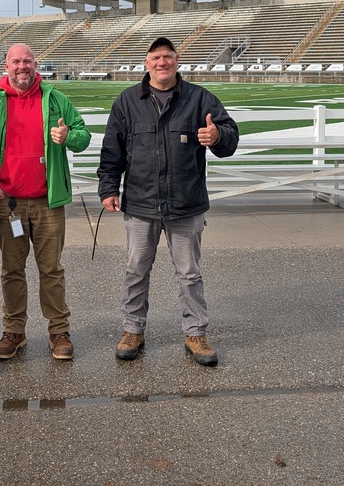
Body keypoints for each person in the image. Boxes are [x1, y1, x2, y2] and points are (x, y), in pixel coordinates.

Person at [98, 37, 239, 366]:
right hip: (141, 203)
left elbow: (230, 134)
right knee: (136, 270)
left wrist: (217, 136)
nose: (162, 63)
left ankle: (195, 333)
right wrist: (108, 188)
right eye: (155, 57)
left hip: (185, 203)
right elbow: (112, 150)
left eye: (168, 57)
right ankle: (133, 330)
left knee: (189, 273)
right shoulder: (128, 101)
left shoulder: (199, 98)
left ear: (177, 60)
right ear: (146, 63)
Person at [0, 43, 90, 361]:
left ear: (36, 64)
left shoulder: (56, 99)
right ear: (6, 67)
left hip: (48, 203)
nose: (22, 66)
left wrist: (69, 138)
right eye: (16, 61)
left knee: (51, 269)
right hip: (10, 205)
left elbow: (83, 136)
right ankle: (14, 332)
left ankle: (59, 331)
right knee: (12, 270)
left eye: (27, 61)